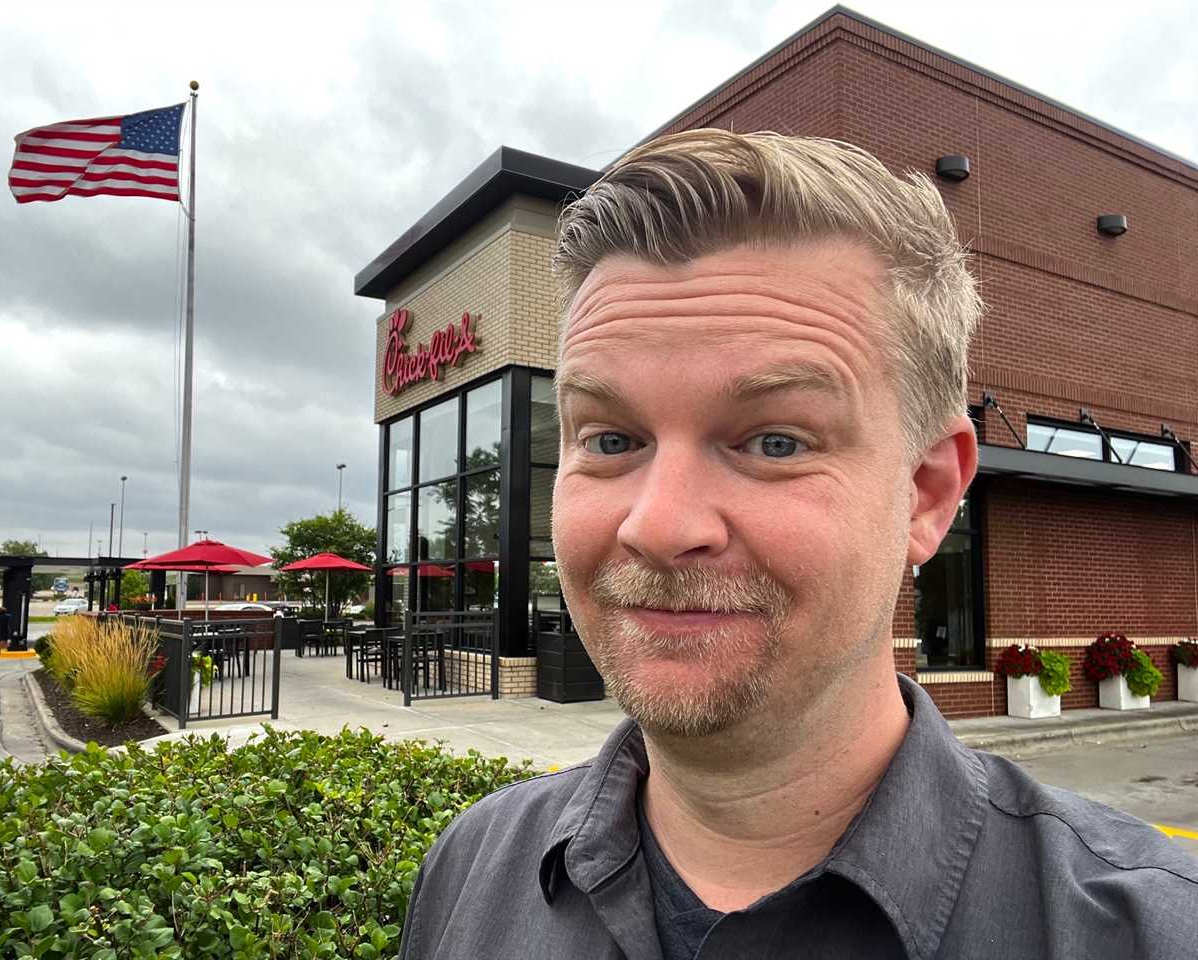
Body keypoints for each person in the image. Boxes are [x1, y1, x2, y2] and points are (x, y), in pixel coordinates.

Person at [396, 131, 1197, 959]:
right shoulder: (468, 871)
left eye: (774, 442)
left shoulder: (1148, 935)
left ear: (925, 494)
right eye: (609, 440)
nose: (660, 527)